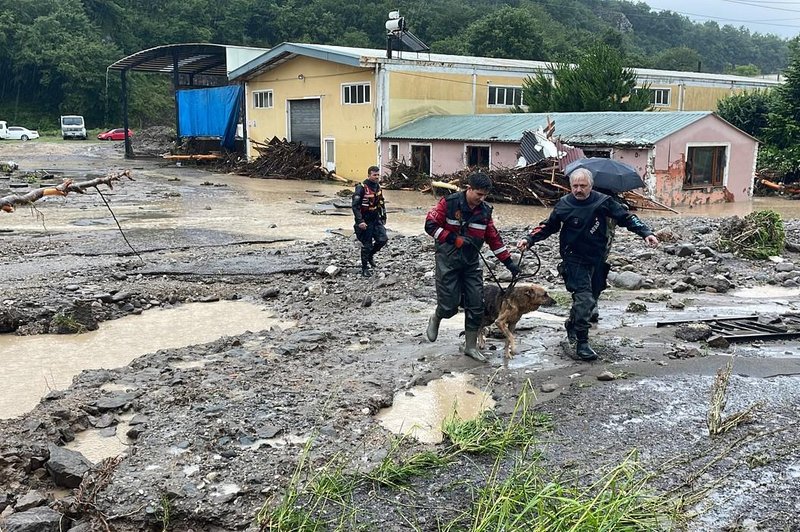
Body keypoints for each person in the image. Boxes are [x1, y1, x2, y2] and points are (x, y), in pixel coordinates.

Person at [516, 168, 659, 361]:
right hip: (573, 259)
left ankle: (572, 324)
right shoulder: (564, 205)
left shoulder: (603, 202)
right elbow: (547, 226)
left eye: (583, 186)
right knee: (584, 300)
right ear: (570, 186)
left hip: (597, 259)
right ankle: (582, 343)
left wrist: (646, 233)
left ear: (590, 186)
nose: (578, 190)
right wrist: (529, 239)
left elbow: (627, 218)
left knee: (591, 299)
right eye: (575, 186)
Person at [424, 172, 520, 362]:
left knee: (477, 304)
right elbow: (430, 225)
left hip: (471, 263)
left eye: (485, 195)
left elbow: (493, 239)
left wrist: (509, 263)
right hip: (448, 260)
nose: (481, 198)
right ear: (469, 189)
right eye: (478, 194)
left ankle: (470, 346)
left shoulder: (485, 212)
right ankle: (437, 316)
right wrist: (453, 238)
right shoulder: (448, 203)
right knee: (450, 305)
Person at [352, 165, 388, 277]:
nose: (377, 177)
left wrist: (384, 216)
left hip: (376, 218)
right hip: (365, 220)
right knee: (366, 245)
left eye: (378, 175)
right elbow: (355, 206)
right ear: (369, 175)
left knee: (383, 239)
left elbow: (381, 202)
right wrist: (360, 221)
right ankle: (364, 268)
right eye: (374, 175)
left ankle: (370, 255)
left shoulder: (377, 187)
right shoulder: (361, 188)